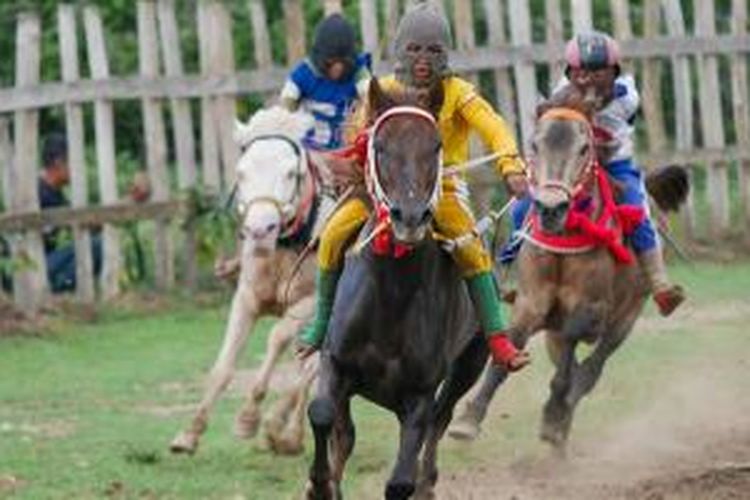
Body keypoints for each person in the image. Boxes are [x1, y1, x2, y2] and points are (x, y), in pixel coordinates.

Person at [297, 4, 530, 371]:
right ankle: (323, 321)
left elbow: (494, 127)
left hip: (443, 189)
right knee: (333, 234)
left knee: (471, 248)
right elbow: (360, 134)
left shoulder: (459, 93)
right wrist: (352, 166)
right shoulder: (383, 90)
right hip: (382, 189)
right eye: (415, 49)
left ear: (446, 54)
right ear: (400, 50)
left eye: (434, 50)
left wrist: (511, 166)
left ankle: (497, 337)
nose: (423, 59)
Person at [501, 31, 685, 316]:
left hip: (614, 162)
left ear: (615, 71)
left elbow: (603, 109)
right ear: (569, 71)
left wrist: (588, 101)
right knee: (522, 207)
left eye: (599, 72)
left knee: (636, 209)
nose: (588, 79)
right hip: (572, 165)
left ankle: (659, 283)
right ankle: (515, 277)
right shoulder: (561, 90)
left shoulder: (627, 96)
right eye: (581, 72)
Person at [279, 13, 371, 150]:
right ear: (320, 58)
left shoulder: (358, 71)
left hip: (349, 150)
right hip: (312, 151)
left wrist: (367, 99)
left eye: (343, 62)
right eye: (331, 63)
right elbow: (286, 107)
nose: (338, 68)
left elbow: (370, 94)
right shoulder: (304, 74)